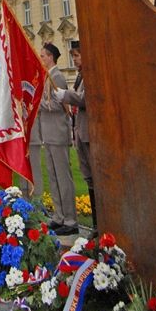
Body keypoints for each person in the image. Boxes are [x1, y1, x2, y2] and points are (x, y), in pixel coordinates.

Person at [54, 40, 96, 235]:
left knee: (94, 178)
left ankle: (98, 224)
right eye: (73, 57)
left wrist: (65, 95)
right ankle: (96, 224)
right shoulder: (80, 75)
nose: (75, 60)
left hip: (88, 132)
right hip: (81, 132)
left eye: (77, 56)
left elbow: (86, 98)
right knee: (88, 177)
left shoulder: (91, 73)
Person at [36, 42, 78, 236]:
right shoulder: (47, 77)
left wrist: (37, 103)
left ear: (51, 57)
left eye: (43, 56)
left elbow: (55, 104)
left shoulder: (57, 77)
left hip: (58, 133)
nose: (41, 58)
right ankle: (59, 216)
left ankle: (70, 219)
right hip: (49, 134)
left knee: (63, 178)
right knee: (53, 177)